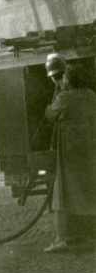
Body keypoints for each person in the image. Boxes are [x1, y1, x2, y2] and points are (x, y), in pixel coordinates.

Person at [44, 64, 96, 253]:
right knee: (87, 189)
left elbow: (50, 115)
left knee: (63, 192)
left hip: (69, 151)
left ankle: (63, 238)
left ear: (69, 79)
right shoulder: (90, 94)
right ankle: (89, 233)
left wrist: (55, 93)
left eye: (64, 77)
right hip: (88, 148)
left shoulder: (65, 97)